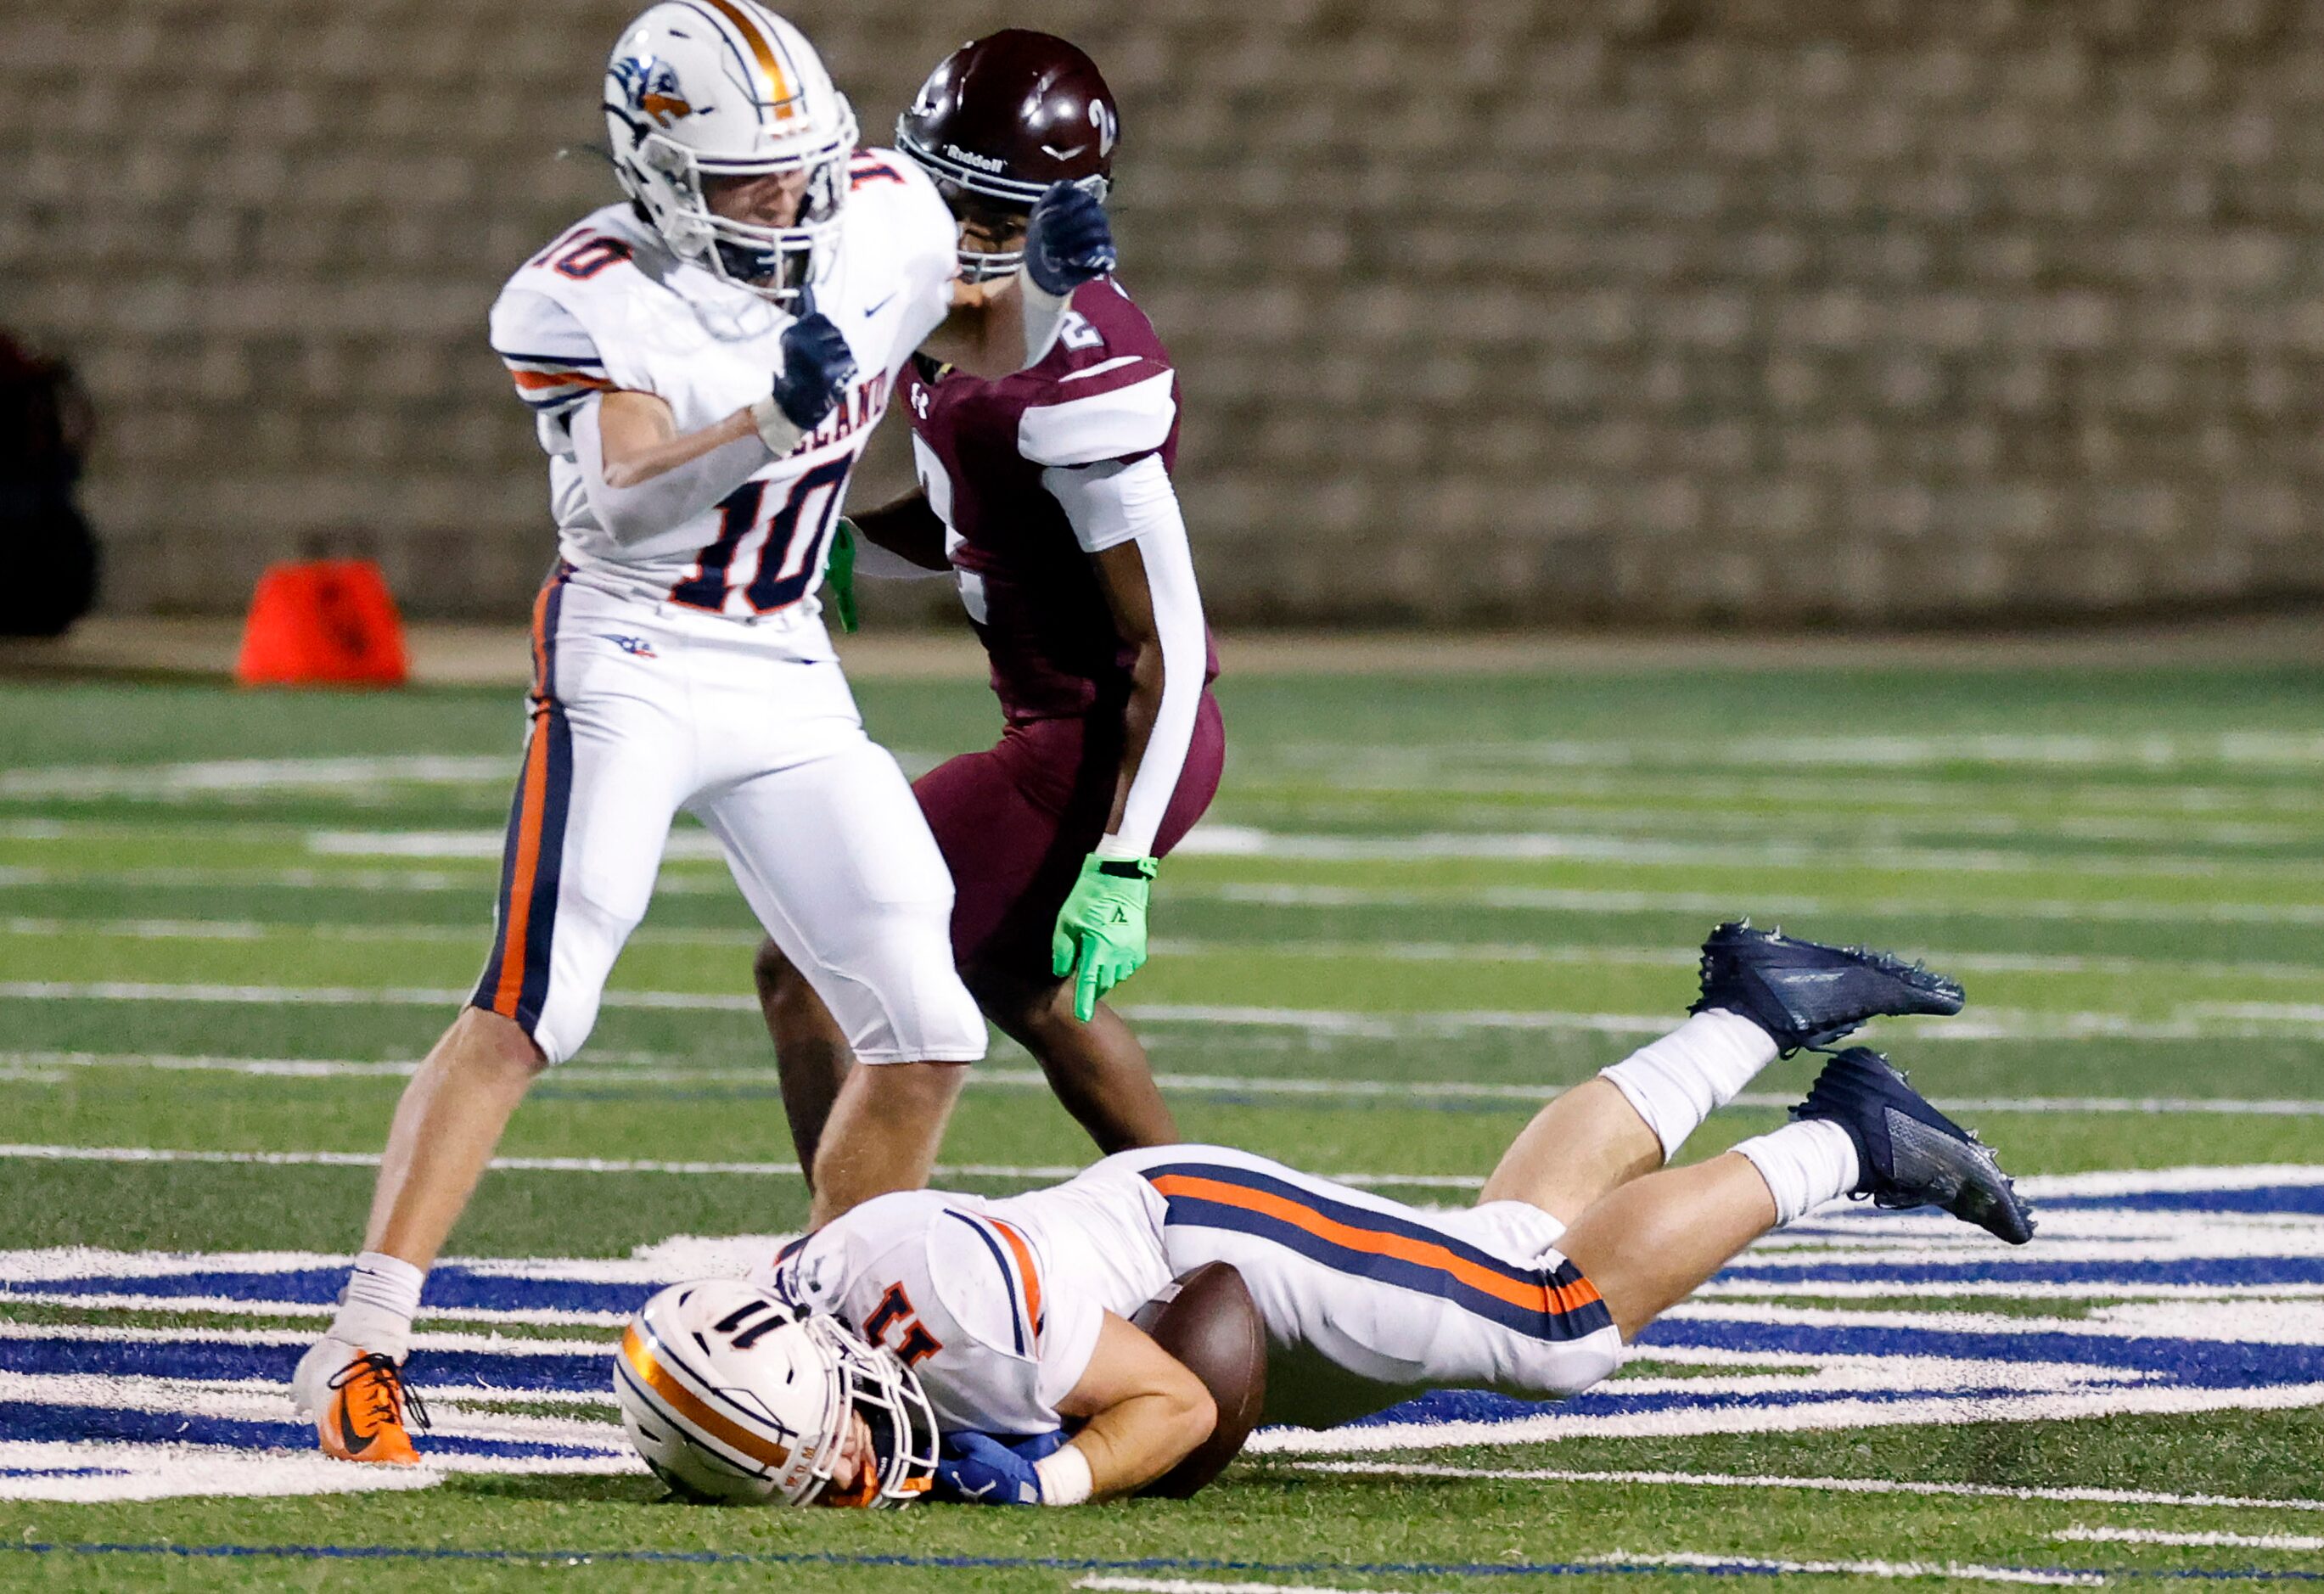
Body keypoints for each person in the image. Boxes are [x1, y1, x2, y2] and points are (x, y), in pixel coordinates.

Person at [291, 0, 1125, 1466]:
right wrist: (760, 418)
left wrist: (1047, 300)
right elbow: (616, 497)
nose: (788, 203)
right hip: (633, 644)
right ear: (661, 175)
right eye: (749, 181)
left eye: (803, 169)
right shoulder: (580, 294)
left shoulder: (875, 211)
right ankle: (360, 1339)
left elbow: (980, 334)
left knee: (927, 1027)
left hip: (782, 652)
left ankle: (829, 1332)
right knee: (537, 997)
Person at [626, 923, 2031, 1507]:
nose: (839, 1461)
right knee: (1505, 1250)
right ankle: (1749, 1008)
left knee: (1553, 1325)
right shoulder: (811, 1294)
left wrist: (1040, 1481)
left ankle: (1845, 1143)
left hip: (1208, 1242)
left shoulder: (962, 1317)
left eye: (820, 1433)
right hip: (1158, 1239)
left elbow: (1169, 1404)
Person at [754, 31, 1221, 1172]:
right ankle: (1210, 1242)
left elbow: (1171, 641)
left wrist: (1124, 861)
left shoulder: (1082, 373)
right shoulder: (968, 312)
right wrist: (849, 540)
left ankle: (839, 1269)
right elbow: (980, 505)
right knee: (1035, 992)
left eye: (993, 220)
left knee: (807, 969)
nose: (955, 237)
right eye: (942, 197)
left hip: (1101, 744)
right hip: (1051, 727)